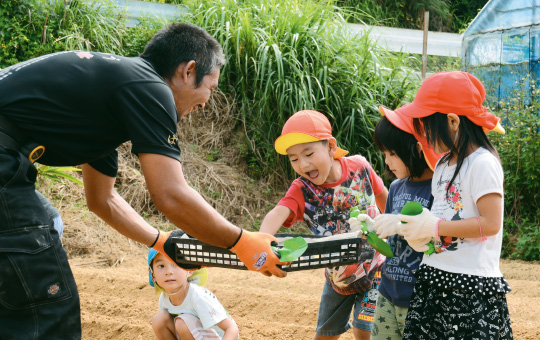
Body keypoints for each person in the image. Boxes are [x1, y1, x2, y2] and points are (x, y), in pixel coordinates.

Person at [0, 22, 286, 340]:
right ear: (188, 71)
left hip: (9, 164)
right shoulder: (149, 86)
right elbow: (171, 195)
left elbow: (102, 200)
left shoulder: (104, 104)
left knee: (48, 227)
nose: (206, 102)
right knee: (48, 309)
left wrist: (161, 242)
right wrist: (242, 241)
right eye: (211, 88)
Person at [377, 71, 512, 339]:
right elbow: (439, 215)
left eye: (426, 126)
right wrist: (416, 233)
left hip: (470, 284)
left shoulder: (483, 163)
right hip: (434, 277)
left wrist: (435, 227)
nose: (423, 134)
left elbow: (491, 223)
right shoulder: (442, 165)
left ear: (452, 121)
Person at [259, 110, 389, 340]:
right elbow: (278, 212)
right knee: (325, 335)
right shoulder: (302, 189)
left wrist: (397, 225)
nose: (303, 164)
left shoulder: (359, 167)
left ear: (330, 147)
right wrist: (260, 240)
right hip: (337, 277)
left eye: (309, 153)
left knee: (365, 330)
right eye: (294, 159)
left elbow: (384, 197)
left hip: (375, 267)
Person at [365, 108, 442, 340]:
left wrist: (399, 224)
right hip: (388, 291)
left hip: (420, 296)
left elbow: (439, 238)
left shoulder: (438, 189)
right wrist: (370, 230)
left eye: (392, 153)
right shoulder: (397, 187)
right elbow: (388, 243)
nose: (387, 161)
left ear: (417, 149)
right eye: (384, 154)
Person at [148, 249, 239, 340]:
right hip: (195, 334)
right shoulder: (164, 299)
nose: (169, 272)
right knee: (159, 319)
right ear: (153, 275)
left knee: (182, 323)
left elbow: (231, 328)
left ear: (190, 270)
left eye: (176, 264)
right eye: (161, 266)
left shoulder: (198, 297)